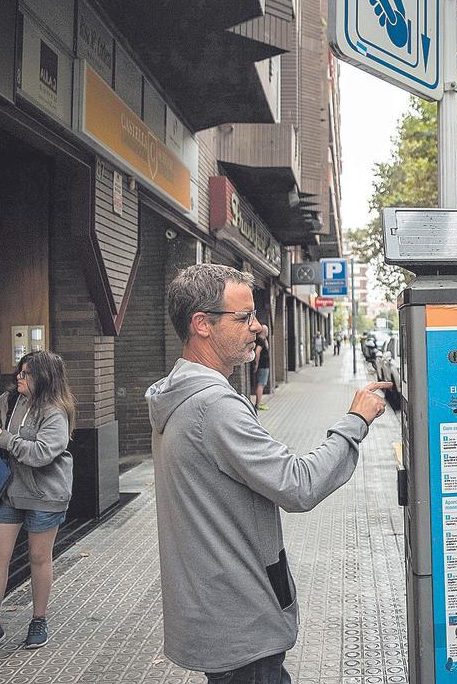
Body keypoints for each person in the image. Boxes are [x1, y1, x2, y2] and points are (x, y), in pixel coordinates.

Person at [147, 264, 390, 683]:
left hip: (219, 615)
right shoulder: (214, 407)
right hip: (241, 623)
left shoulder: (180, 396)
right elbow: (299, 485)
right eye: (243, 317)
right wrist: (356, 421)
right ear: (202, 324)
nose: (257, 327)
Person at [0, 351, 75, 663]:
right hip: (10, 493)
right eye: (20, 371)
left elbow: (40, 454)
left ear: (44, 378)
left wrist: (2, 437)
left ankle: (38, 620)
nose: (19, 377)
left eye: (26, 373)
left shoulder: (55, 412)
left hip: (45, 495)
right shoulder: (12, 400)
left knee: (39, 557)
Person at [253, 325, 271, 410]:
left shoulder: (263, 340)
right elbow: (257, 352)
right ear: (264, 331)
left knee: (261, 384)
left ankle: (259, 402)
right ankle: (258, 403)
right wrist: (256, 364)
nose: (267, 332)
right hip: (263, 365)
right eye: (266, 330)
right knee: (261, 384)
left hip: (264, 365)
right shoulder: (261, 340)